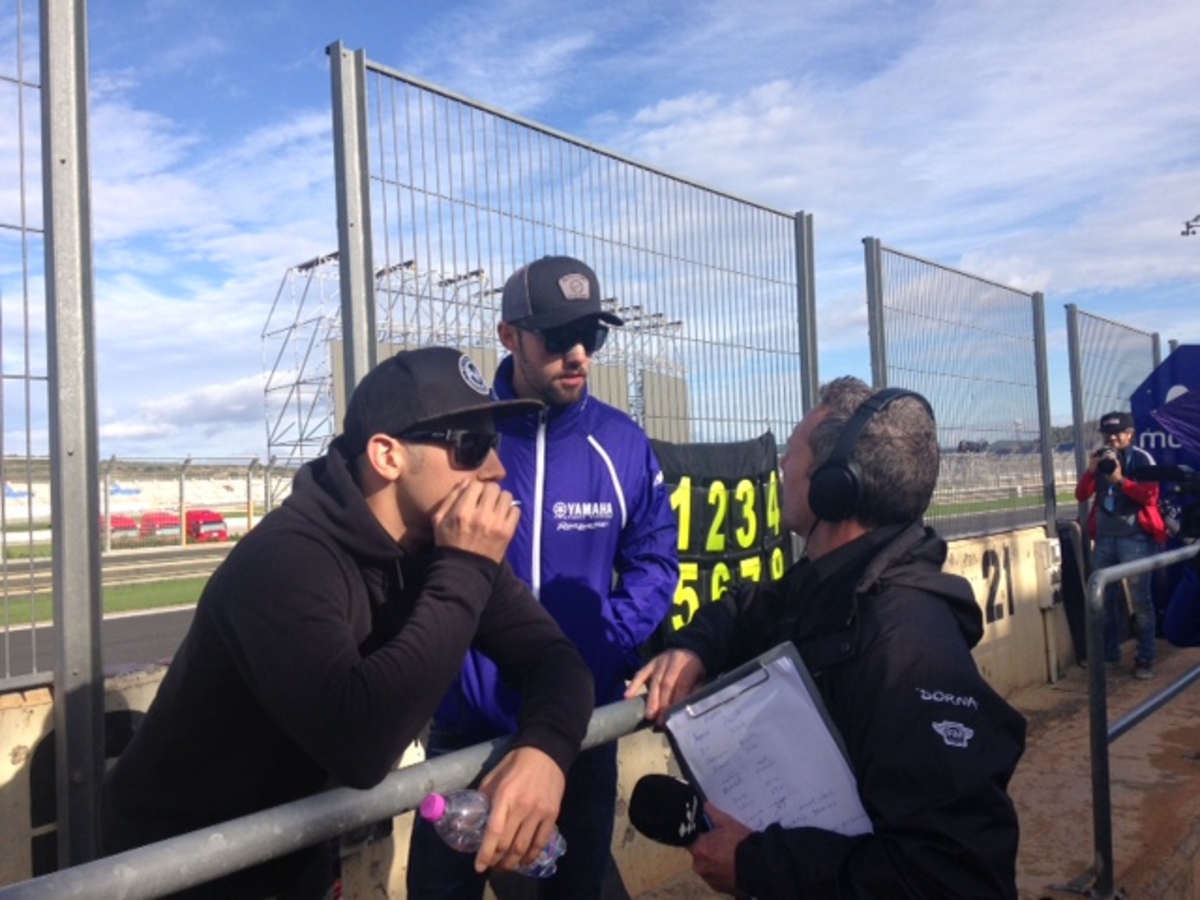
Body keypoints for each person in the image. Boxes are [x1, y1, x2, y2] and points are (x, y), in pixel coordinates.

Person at [101, 347, 595, 900]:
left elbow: (556, 660)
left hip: (291, 847)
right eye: (470, 445)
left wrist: (545, 752)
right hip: (174, 866)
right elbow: (361, 745)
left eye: (494, 442)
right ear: (386, 455)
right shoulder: (286, 560)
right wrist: (466, 567)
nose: (496, 469)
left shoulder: (445, 547)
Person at [626, 376, 1026, 899]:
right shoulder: (835, 581)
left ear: (835, 486)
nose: (781, 466)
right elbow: (752, 608)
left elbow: (954, 878)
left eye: (792, 453)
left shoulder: (906, 648)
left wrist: (758, 864)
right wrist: (693, 647)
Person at [407, 256, 679, 899]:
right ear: (509, 336)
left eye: (592, 334)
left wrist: (602, 642)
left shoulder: (622, 443)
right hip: (468, 733)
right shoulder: (465, 439)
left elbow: (655, 561)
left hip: (578, 731)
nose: (578, 354)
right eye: (558, 337)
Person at [1074, 410, 1167, 678]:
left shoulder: (1141, 458)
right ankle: (1110, 655)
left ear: (1130, 434)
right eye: (1107, 433)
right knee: (1103, 601)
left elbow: (1150, 496)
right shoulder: (1101, 458)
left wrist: (1120, 481)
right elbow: (1081, 494)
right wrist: (1091, 472)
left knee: (1141, 602)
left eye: (1117, 433)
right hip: (1104, 540)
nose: (1112, 438)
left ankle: (1145, 659)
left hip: (1135, 539)